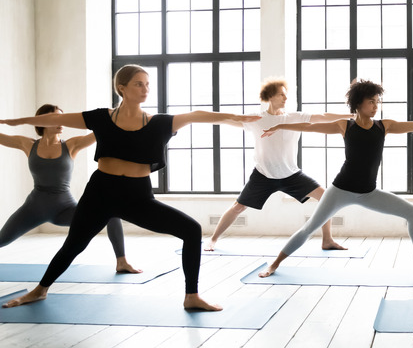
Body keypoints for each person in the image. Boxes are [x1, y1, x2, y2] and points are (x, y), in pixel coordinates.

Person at [0, 64, 261, 310]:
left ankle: (191, 296)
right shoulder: (100, 118)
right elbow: (62, 119)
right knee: (73, 245)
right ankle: (41, 289)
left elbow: (196, 116)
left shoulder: (160, 123)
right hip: (100, 192)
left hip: (138, 197)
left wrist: (234, 117)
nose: (145, 89)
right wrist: (16, 121)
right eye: (139, 84)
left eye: (147, 84)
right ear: (121, 88)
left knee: (191, 230)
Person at [257, 79, 413, 278]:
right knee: (309, 229)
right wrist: (280, 127)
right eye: (371, 102)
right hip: (340, 191)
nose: (376, 106)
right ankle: (274, 264)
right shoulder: (345, 126)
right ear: (358, 103)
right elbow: (310, 126)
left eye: (377, 102)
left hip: (368, 193)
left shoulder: (384, 126)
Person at [205, 78, 352, 252]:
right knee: (238, 207)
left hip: (291, 174)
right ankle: (213, 240)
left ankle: (327, 240)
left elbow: (323, 116)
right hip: (263, 175)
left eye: (285, 94)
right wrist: (204, 117)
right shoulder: (257, 118)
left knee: (326, 198)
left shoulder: (294, 117)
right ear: (270, 96)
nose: (285, 98)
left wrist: (351, 116)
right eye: (281, 94)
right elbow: (228, 120)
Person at [0, 104, 139, 273]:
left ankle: (122, 261)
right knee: (2, 239)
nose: (61, 121)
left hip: (65, 209)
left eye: (62, 117)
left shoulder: (72, 145)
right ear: (42, 121)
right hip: (33, 209)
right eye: (55, 118)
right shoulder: (27, 144)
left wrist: (120, 113)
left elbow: (103, 129)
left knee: (111, 213)